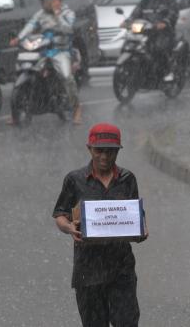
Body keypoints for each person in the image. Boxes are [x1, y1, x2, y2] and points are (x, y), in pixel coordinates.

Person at [52, 122, 148, 327]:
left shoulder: (127, 179)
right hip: (88, 271)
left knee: (127, 323)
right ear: (89, 149)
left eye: (111, 152)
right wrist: (69, 227)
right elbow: (60, 215)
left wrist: (141, 230)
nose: (104, 157)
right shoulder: (74, 179)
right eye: (99, 151)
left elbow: (136, 216)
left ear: (118, 152)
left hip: (121, 268)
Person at [11, 0, 82, 124]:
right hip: (42, 49)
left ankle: (76, 108)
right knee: (24, 69)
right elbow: (30, 26)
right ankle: (17, 108)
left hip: (60, 51)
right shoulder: (40, 14)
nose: (45, 3)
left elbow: (68, 29)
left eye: (48, 0)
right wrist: (18, 38)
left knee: (67, 77)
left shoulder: (67, 13)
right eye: (43, 0)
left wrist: (57, 14)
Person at [122, 0, 179, 82]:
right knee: (129, 44)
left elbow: (173, 14)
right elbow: (135, 14)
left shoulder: (171, 1)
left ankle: (168, 72)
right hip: (145, 32)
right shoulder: (145, 1)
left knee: (159, 48)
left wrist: (164, 23)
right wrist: (127, 22)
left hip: (164, 33)